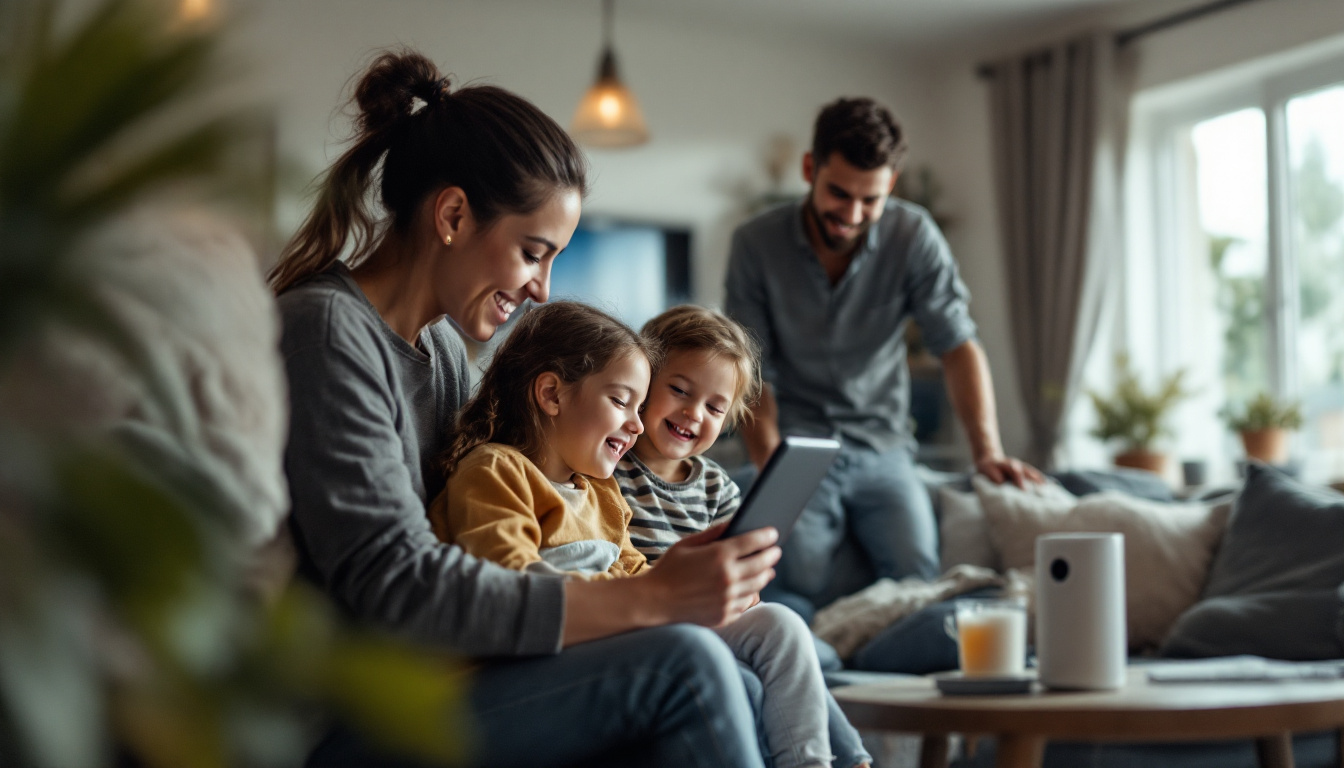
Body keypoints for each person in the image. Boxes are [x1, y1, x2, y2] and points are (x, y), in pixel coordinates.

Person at [272, 50, 780, 768]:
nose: (543, 289)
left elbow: (492, 530)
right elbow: (398, 586)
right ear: (452, 214)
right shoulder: (328, 331)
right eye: (533, 252)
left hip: (444, 680)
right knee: (682, 666)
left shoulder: (444, 349)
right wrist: (649, 602)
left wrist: (657, 579)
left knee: (744, 681)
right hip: (350, 714)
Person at [432, 301, 852, 768]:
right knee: (718, 662)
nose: (635, 424)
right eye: (622, 401)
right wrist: (650, 595)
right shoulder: (497, 470)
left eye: (638, 404)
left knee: (782, 624)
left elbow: (635, 569)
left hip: (608, 638)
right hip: (521, 668)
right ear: (552, 394)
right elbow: (508, 585)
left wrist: (692, 583)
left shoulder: (599, 492)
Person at [725, 96, 1043, 621]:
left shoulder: (914, 235)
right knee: (797, 572)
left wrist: (987, 450)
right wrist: (771, 467)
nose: (851, 215)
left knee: (918, 578)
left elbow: (957, 342)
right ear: (810, 169)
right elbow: (751, 371)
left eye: (869, 200)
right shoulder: (754, 244)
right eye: (838, 193)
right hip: (797, 444)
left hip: (885, 447)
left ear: (891, 185)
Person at [615, 304, 873, 768]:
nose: (693, 413)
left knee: (786, 629)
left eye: (715, 407)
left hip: (712, 615)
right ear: (643, 380)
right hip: (650, 617)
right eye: (678, 390)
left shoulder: (717, 487)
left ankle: (835, 761)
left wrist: (747, 580)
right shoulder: (610, 466)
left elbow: (745, 580)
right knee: (787, 638)